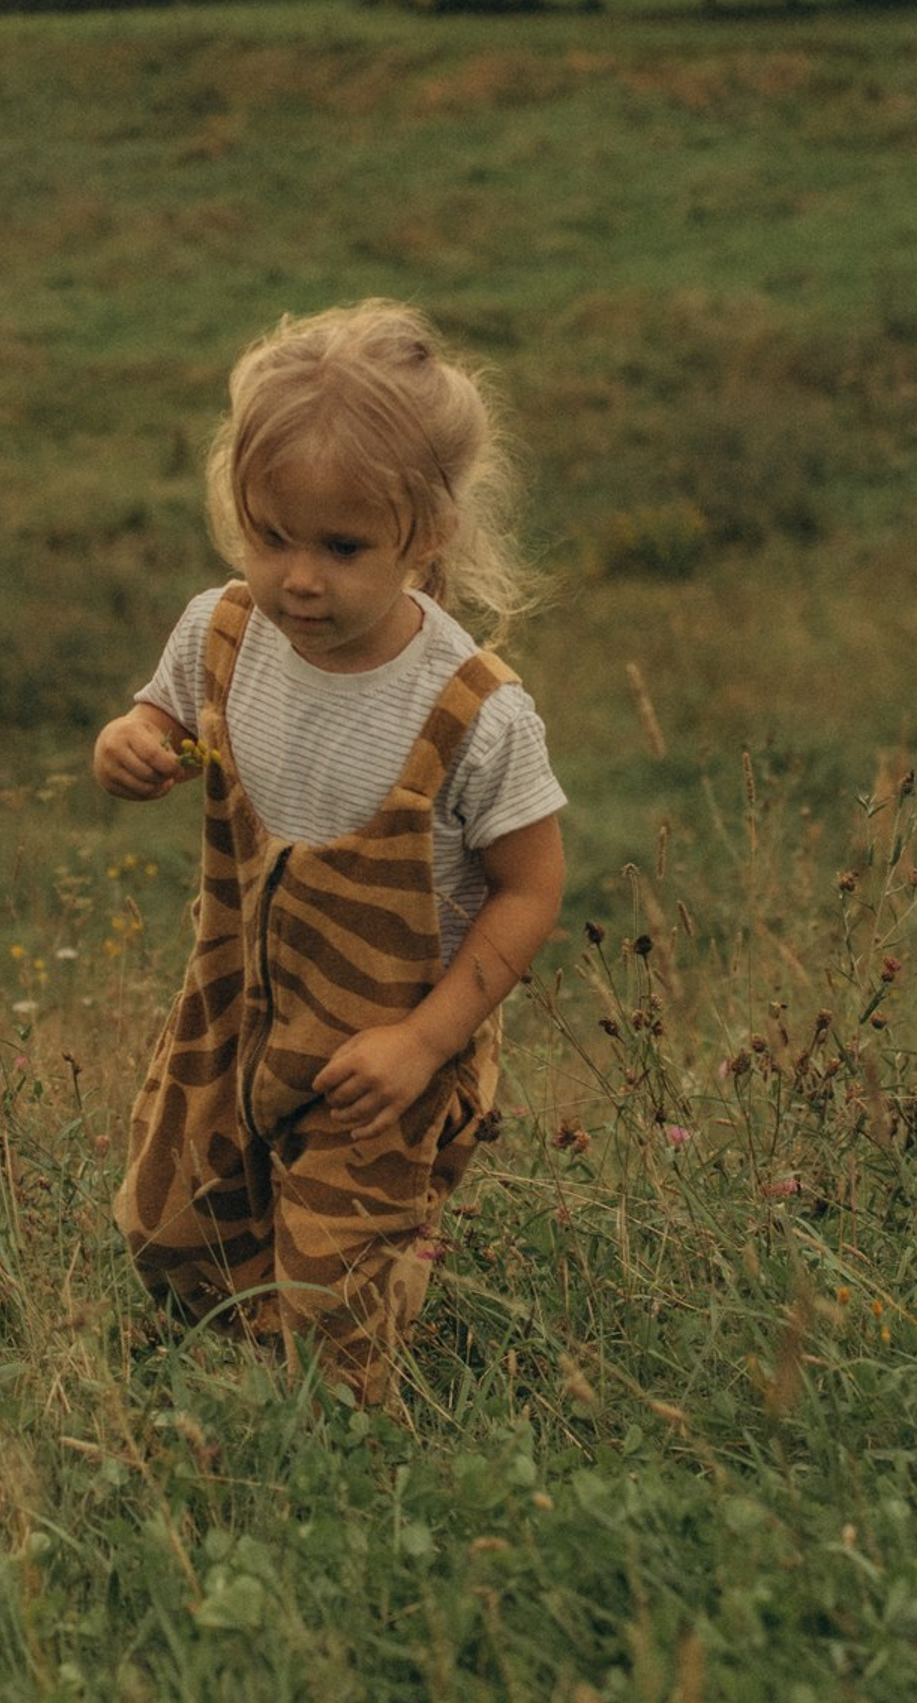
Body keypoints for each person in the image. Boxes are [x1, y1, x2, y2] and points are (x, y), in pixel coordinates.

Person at [94, 300, 567, 1406]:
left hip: (384, 1055)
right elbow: (160, 715)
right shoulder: (221, 630)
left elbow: (531, 889)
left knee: (331, 1300)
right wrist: (134, 741)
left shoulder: (472, 710)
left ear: (427, 534)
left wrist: (422, 1041)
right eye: (270, 536)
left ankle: (357, 1447)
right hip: (232, 1012)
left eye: (342, 547)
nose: (298, 578)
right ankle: (240, 1388)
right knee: (168, 1232)